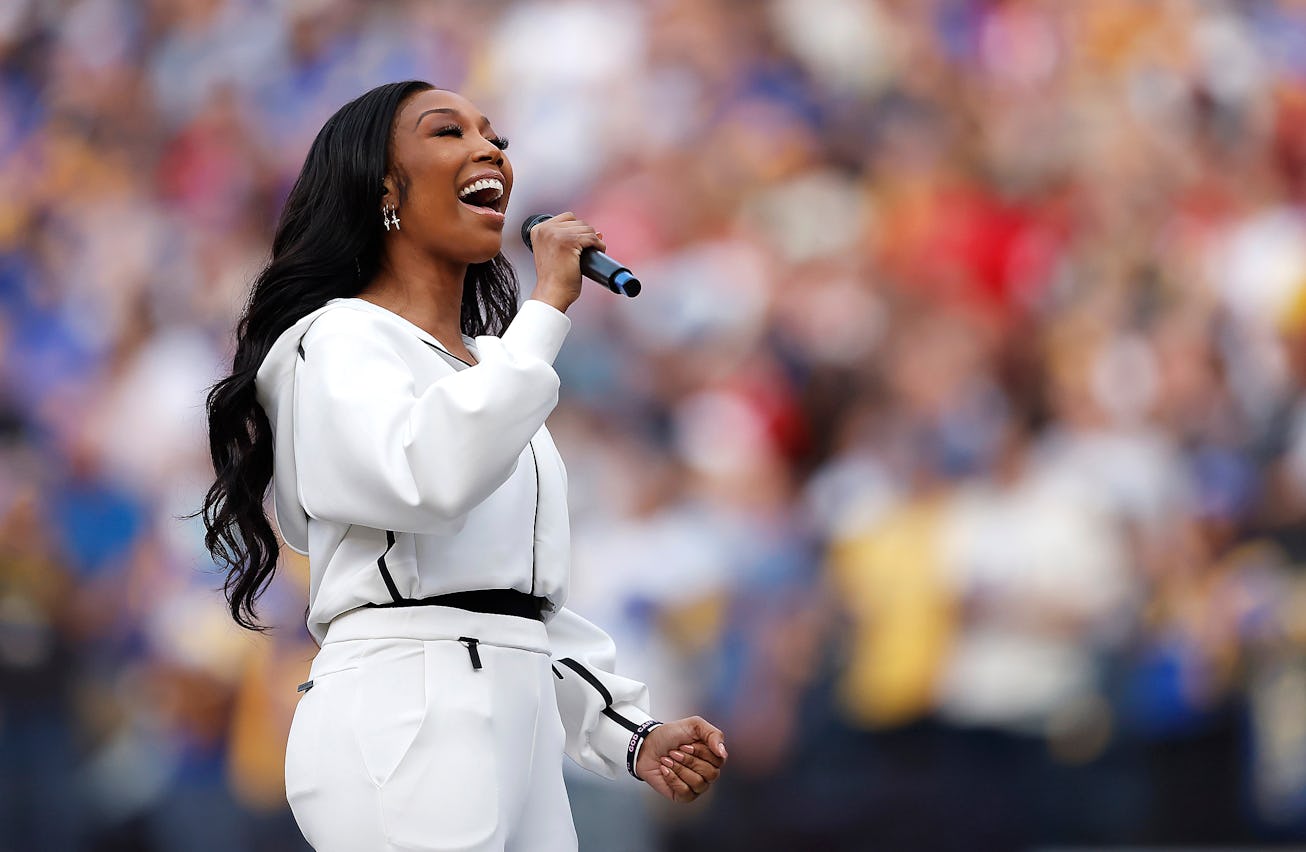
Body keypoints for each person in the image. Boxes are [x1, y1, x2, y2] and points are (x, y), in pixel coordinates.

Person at [198, 80, 728, 851]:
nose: (489, 151)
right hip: (406, 710)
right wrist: (544, 311)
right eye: (449, 133)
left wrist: (627, 729)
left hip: (518, 733)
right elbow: (427, 480)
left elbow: (517, 603)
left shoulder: (493, 368)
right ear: (384, 189)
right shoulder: (335, 340)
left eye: (496, 139)